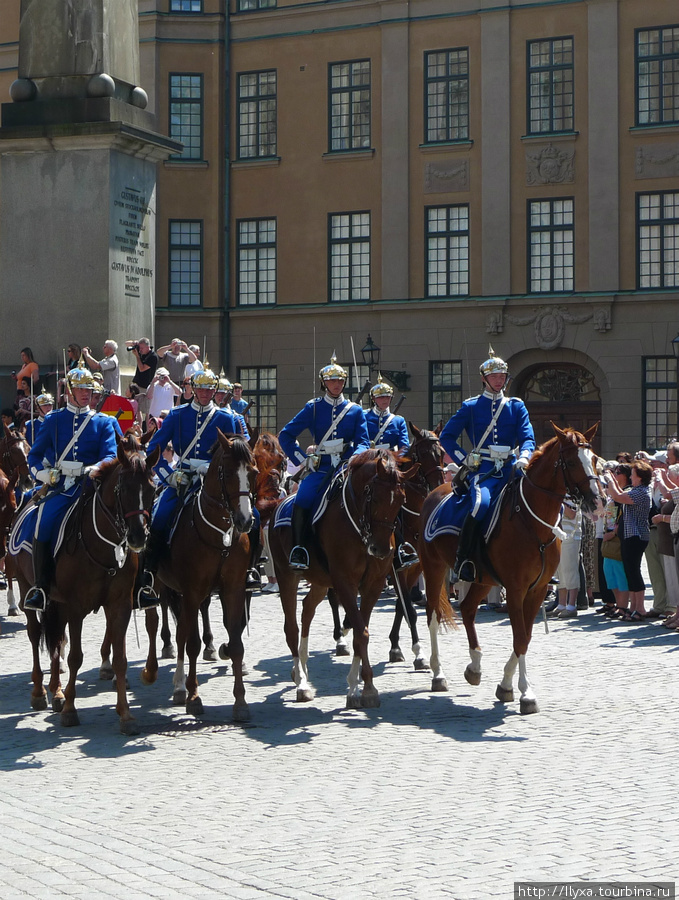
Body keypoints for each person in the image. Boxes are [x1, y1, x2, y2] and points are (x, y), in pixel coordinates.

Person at [138, 369, 243, 605]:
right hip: (182, 479)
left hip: (216, 481)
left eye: (209, 389)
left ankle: (251, 567)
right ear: (193, 390)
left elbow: (238, 454)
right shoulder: (177, 415)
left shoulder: (227, 418)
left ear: (215, 390)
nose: (205, 393)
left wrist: (213, 468)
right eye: (201, 388)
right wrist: (169, 476)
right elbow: (153, 449)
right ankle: (149, 575)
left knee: (249, 514)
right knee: (159, 517)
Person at [23, 365, 118, 611]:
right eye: (80, 389)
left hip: (90, 487)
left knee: (127, 518)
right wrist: (43, 473)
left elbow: (110, 456)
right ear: (69, 391)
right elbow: (34, 456)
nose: (86, 393)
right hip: (61, 487)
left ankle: (135, 580)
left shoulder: (103, 422)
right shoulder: (54, 419)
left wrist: (91, 469)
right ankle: (41, 587)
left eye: (88, 388)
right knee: (43, 522)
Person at [440, 346, 535, 582]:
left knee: (540, 502)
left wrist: (525, 456)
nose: (499, 380)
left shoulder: (516, 406)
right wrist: (464, 459)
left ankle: (540, 558)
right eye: (494, 376)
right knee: (480, 506)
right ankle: (464, 558)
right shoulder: (471, 406)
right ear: (484, 379)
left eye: (502, 376)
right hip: (483, 469)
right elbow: (446, 437)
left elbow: (527, 437)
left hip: (512, 467)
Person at [279, 356, 370, 569]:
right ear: (324, 383)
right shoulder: (313, 408)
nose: (337, 384)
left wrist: (354, 459)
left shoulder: (355, 410)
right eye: (332, 381)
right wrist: (303, 460)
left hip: (347, 466)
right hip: (321, 467)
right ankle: (299, 548)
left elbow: (363, 441)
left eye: (340, 380)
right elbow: (286, 435)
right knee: (303, 498)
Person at [365, 378, 416, 569]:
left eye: (387, 396)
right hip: (369, 464)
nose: (384, 400)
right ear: (373, 399)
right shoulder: (363, 416)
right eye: (380, 397)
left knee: (398, 503)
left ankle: (401, 546)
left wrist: (393, 459)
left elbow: (404, 445)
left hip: (390, 465)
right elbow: (359, 440)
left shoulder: (398, 420)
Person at [604, 460, 653, 622]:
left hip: (636, 536)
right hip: (629, 535)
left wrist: (609, 479)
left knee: (634, 572)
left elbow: (618, 496)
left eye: (632, 474)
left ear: (639, 477)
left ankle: (640, 608)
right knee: (629, 572)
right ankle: (633, 607)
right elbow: (618, 493)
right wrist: (612, 480)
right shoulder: (636, 489)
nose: (630, 477)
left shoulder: (641, 492)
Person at [125, 338, 158, 423]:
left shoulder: (153, 356)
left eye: (142, 348)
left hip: (144, 386)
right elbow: (126, 343)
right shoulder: (141, 352)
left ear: (148, 347)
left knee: (144, 411)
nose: (140, 350)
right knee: (133, 406)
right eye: (139, 348)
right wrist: (134, 342)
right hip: (136, 384)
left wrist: (137, 356)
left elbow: (142, 368)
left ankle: (144, 429)